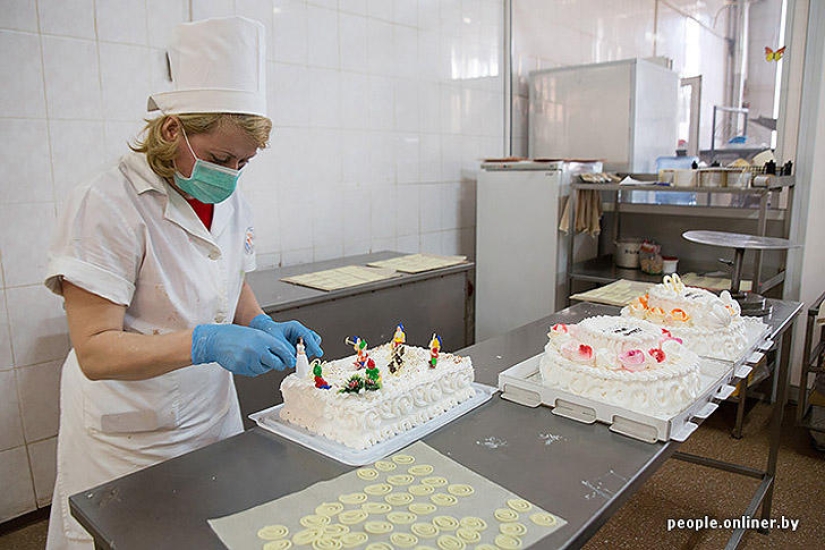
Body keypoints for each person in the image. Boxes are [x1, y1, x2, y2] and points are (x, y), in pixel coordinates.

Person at [43, 17, 322, 549]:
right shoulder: (106, 202)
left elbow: (226, 272)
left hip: (210, 413)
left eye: (245, 162)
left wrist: (259, 320)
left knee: (220, 530)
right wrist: (204, 341)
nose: (233, 173)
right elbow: (95, 352)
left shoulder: (226, 194)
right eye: (221, 158)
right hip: (131, 435)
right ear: (172, 130)